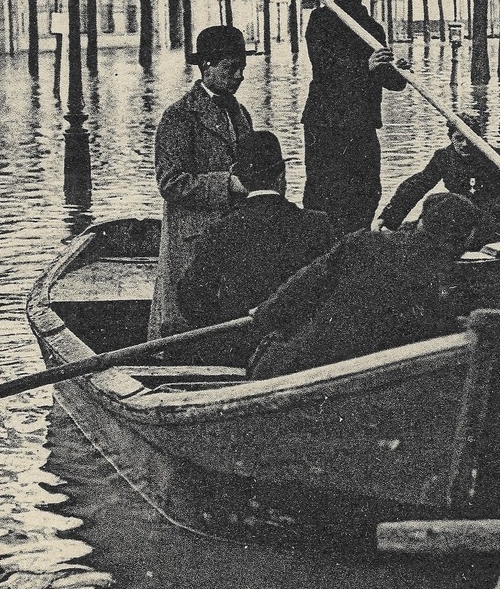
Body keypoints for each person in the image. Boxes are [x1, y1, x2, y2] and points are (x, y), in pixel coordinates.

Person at [248, 192, 480, 380]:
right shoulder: (447, 279)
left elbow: (303, 285)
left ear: (421, 221)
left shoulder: (363, 242)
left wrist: (262, 314)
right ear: (463, 240)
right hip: (354, 379)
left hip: (290, 368)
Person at [176, 131, 338, 366]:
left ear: (240, 180)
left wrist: (225, 325)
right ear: (282, 175)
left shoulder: (220, 230)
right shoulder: (318, 223)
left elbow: (190, 296)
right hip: (302, 350)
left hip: (241, 351)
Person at [147, 25, 253, 341]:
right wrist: (227, 185)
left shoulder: (241, 112)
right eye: (231, 68)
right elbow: (170, 182)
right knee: (187, 317)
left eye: (242, 68)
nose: (239, 76)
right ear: (206, 66)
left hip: (233, 231)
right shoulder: (179, 116)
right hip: (193, 238)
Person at [302, 0, 409, 235]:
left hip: (362, 122)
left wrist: (398, 72)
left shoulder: (373, 28)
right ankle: (321, 253)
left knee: (367, 189)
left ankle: (355, 246)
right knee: (325, 191)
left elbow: (390, 81)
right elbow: (323, 66)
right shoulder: (322, 19)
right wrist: (365, 65)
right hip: (327, 123)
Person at [378, 112, 500, 249]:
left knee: (477, 234)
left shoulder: (495, 156)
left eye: (469, 139)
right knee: (422, 224)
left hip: (494, 212)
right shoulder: (444, 157)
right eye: (459, 139)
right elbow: (418, 185)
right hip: (461, 211)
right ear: (451, 138)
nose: (465, 145)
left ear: (478, 138)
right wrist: (387, 218)